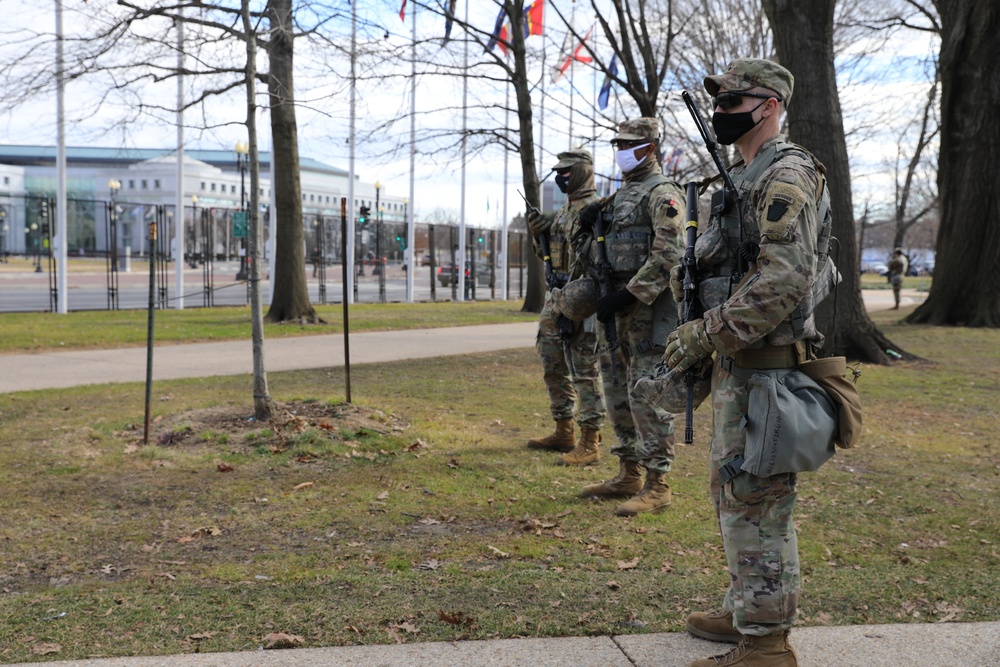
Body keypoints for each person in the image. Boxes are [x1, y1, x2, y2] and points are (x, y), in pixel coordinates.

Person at [664, 58, 832, 667]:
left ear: (770, 106)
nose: (723, 108)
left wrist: (706, 334)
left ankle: (766, 646)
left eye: (736, 99)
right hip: (741, 365)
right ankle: (748, 608)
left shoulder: (787, 174)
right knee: (732, 494)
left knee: (756, 500)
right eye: (722, 98)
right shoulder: (741, 176)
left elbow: (786, 278)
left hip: (767, 367)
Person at [573, 118, 685, 516]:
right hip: (612, 308)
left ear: (650, 148)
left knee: (646, 394)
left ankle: (658, 484)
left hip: (645, 310)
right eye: (617, 143)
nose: (621, 150)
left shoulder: (663, 194)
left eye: (630, 144)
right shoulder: (619, 196)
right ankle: (629, 472)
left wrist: (628, 294)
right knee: (615, 389)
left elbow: (669, 255)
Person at [525, 149, 606, 466]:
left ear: (585, 172)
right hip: (555, 301)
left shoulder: (596, 211)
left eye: (568, 171)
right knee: (553, 365)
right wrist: (538, 236)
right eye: (559, 172)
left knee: (585, 371)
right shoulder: (564, 212)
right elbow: (551, 256)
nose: (561, 177)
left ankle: (590, 440)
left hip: (581, 303)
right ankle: (564, 428)